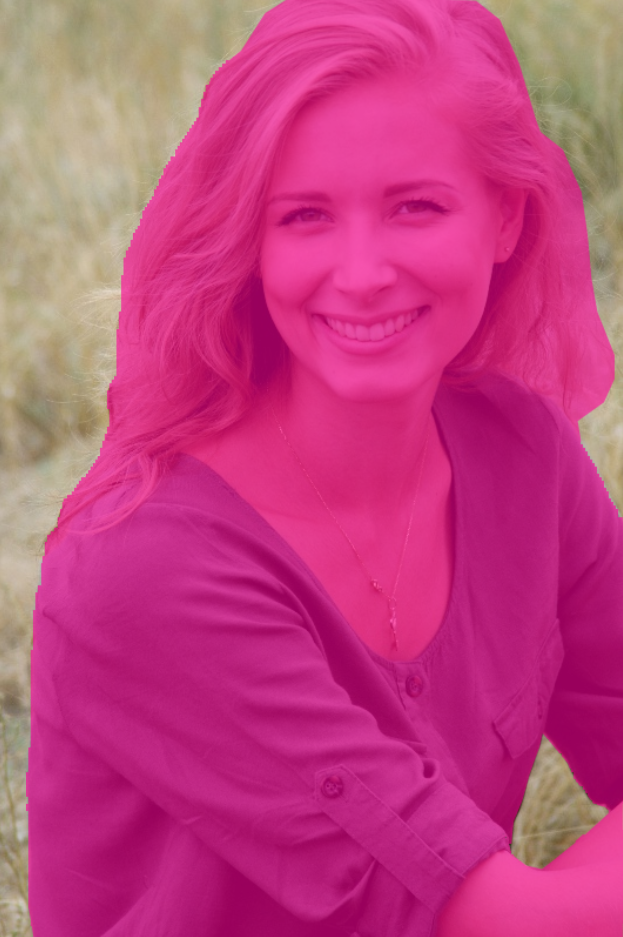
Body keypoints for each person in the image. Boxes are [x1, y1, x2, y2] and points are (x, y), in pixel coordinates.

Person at [28, 0, 623, 934]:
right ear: (251, 240)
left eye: (415, 207)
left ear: (506, 217)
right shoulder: (146, 567)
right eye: (304, 217)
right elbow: (501, 921)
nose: (361, 272)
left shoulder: (522, 455)